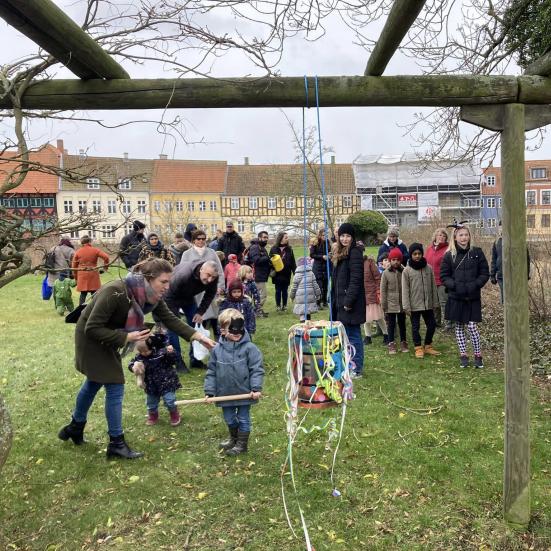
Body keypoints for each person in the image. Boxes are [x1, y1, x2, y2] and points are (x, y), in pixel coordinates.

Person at [58, 257, 216, 459]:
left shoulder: (152, 297)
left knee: (94, 382)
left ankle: (75, 426)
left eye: (169, 281)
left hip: (110, 335)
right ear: (149, 278)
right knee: (114, 386)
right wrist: (126, 337)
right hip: (91, 338)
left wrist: (200, 338)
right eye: (164, 282)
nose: (167, 287)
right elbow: (92, 327)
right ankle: (116, 442)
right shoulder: (115, 291)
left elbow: (170, 319)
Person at [204, 309, 264, 456]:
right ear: (223, 331)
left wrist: (256, 388)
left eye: (239, 328)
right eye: (232, 329)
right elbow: (211, 371)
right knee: (229, 418)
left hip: (245, 393)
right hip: (224, 393)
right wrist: (209, 391)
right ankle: (234, 439)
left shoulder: (250, 348)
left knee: (243, 419)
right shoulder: (217, 350)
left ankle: (242, 445)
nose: (237, 332)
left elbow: (256, 369)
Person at [440, 224, 489, 368]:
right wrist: (455, 286)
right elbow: (444, 276)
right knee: (459, 326)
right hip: (456, 297)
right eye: (461, 235)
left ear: (469, 236)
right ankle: (463, 355)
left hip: (473, 297)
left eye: (466, 234)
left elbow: (484, 273)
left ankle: (478, 355)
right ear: (455, 237)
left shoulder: (477, 252)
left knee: (472, 327)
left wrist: (475, 284)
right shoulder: (449, 255)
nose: (464, 238)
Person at [163, 259, 220, 371]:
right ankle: (178, 362)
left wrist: (200, 312)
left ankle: (195, 359)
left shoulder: (213, 277)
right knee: (173, 329)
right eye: (208, 275)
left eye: (213, 277)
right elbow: (168, 295)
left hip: (188, 297)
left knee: (196, 325)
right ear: (201, 269)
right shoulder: (183, 276)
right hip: (171, 297)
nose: (210, 280)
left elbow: (210, 294)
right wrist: (173, 319)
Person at [330, 223, 366, 378]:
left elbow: (356, 279)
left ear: (353, 238)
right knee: (341, 335)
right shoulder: (340, 253)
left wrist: (348, 301)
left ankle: (356, 368)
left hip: (350, 303)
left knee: (353, 335)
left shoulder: (355, 253)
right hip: (339, 302)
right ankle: (345, 364)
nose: (345, 239)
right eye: (342, 236)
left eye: (348, 236)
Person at [180, 229, 225, 345]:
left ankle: (219, 343)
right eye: (198, 239)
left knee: (215, 318)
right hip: (195, 292)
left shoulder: (211, 252)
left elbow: (219, 270)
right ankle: (200, 345)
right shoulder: (187, 254)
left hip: (211, 289)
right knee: (198, 319)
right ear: (193, 240)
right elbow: (182, 272)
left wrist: (220, 286)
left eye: (203, 239)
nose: (201, 241)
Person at [128, 332, 182, 427]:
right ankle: (153, 416)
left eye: (146, 351)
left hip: (166, 382)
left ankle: (174, 414)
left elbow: (173, 360)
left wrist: (171, 353)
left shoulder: (161, 353)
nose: (144, 353)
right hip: (151, 384)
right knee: (151, 402)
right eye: (141, 352)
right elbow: (132, 363)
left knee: (170, 400)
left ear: (152, 347)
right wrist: (133, 366)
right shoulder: (139, 357)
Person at [402, 243, 440, 359]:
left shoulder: (428, 268)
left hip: (427, 304)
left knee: (432, 325)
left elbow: (433, 286)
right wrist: (406, 306)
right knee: (415, 327)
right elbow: (405, 289)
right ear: (411, 255)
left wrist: (435, 302)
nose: (417, 256)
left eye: (419, 253)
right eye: (414, 254)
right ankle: (418, 347)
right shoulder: (407, 271)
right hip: (414, 305)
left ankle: (428, 345)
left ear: (422, 254)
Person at [490, 222, 531, 304]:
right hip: (501, 277)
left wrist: (526, 274)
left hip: (516, 277)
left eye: (504, 228)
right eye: (500, 228)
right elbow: (494, 260)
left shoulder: (519, 241)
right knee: (505, 301)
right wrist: (492, 275)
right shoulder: (497, 242)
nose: (502, 230)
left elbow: (526, 259)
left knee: (516, 300)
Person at [380, 248, 408, 355]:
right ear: (390, 260)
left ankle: (403, 341)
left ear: (401, 260)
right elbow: (383, 290)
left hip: (402, 303)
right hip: (390, 304)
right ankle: (391, 343)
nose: (396, 262)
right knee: (391, 324)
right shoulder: (386, 273)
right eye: (393, 259)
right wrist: (384, 305)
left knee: (402, 324)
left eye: (398, 260)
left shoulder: (404, 271)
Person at [72, 235, 110, 305]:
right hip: (93, 274)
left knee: (83, 294)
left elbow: (74, 267)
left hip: (82, 275)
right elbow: (106, 257)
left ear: (82, 242)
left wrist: (76, 278)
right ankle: (95, 310)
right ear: (90, 241)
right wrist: (105, 268)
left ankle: (80, 311)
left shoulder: (78, 252)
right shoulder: (95, 250)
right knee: (94, 294)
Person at [425, 228, 452, 329]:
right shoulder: (429, 249)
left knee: (444, 302)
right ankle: (436, 322)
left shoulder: (448, 249)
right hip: (431, 280)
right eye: (439, 235)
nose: (441, 237)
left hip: (443, 280)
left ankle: (449, 323)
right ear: (435, 236)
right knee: (434, 303)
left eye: (444, 236)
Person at [363, 256, 388, 345]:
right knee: (365, 318)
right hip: (362, 296)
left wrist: (378, 291)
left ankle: (386, 335)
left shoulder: (369, 262)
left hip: (372, 294)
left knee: (379, 316)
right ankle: (367, 336)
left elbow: (378, 278)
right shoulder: (354, 263)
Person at [269, 231, 296, 312]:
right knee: (278, 290)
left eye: (287, 237)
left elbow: (292, 262)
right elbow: (270, 260)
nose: (287, 239)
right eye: (286, 237)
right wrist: (272, 267)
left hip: (286, 273)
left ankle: (284, 305)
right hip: (277, 273)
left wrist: (295, 272)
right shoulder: (274, 248)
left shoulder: (289, 249)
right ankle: (278, 305)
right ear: (281, 238)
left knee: (285, 290)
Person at [289, 256, 321, 322]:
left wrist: (291, 296)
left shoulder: (296, 275)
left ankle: (303, 323)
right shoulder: (311, 273)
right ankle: (308, 323)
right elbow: (315, 285)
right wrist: (318, 294)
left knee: (302, 311)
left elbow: (294, 288)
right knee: (308, 310)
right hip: (310, 295)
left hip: (300, 297)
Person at [248, 231, 271, 316]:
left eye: (267, 237)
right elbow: (256, 260)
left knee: (257, 294)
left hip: (261, 274)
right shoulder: (255, 247)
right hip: (256, 274)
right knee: (262, 294)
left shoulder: (262, 248)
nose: (266, 239)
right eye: (264, 237)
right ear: (259, 238)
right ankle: (257, 310)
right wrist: (267, 258)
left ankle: (256, 310)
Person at [309, 228, 331, 308]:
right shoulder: (315, 242)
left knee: (326, 285)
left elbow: (329, 251)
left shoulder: (328, 242)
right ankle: (318, 302)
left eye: (326, 235)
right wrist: (322, 257)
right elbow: (312, 254)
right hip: (318, 267)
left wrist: (330, 254)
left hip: (326, 267)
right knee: (319, 286)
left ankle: (325, 301)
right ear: (320, 235)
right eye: (323, 235)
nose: (325, 236)